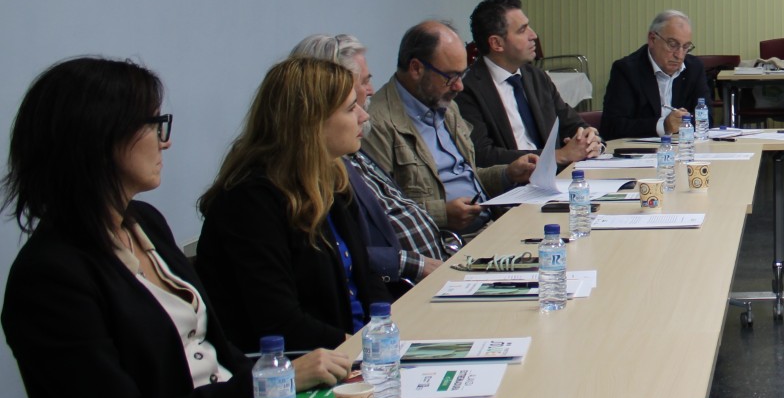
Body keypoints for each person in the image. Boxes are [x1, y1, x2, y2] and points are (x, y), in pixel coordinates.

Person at [1, 58, 350, 398]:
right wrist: (269, 384)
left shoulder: (145, 223)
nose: (164, 143)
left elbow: (221, 353)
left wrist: (280, 384)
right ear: (100, 138)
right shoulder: (50, 277)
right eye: (154, 125)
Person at [196, 58, 394, 352]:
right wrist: (360, 349)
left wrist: (385, 328)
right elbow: (279, 320)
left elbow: (367, 276)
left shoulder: (331, 181)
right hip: (307, 362)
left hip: (357, 351)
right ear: (312, 122)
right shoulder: (249, 202)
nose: (364, 116)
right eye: (351, 108)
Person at [291, 33, 454, 282]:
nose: (371, 92)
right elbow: (342, 253)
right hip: (403, 287)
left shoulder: (352, 147)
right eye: (363, 82)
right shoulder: (317, 168)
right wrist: (409, 264)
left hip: (436, 265)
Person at [362, 21, 535, 234]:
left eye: (462, 75)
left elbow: (466, 176)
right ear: (416, 68)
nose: (459, 86)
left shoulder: (445, 105)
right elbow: (381, 211)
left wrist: (508, 174)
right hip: (447, 241)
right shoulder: (376, 124)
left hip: (489, 225)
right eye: (451, 77)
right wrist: (442, 215)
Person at [456, 0, 600, 166]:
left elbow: (571, 123)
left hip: (557, 176)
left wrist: (589, 139)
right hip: (513, 180)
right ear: (497, 43)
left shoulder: (536, 77)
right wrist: (557, 156)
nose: (533, 35)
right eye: (522, 30)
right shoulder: (467, 88)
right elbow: (482, 155)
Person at [603, 10, 710, 141]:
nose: (680, 55)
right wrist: (663, 125)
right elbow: (612, 126)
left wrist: (684, 121)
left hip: (684, 147)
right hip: (639, 150)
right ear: (652, 39)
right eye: (673, 45)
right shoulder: (627, 70)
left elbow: (706, 118)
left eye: (686, 47)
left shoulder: (694, 68)